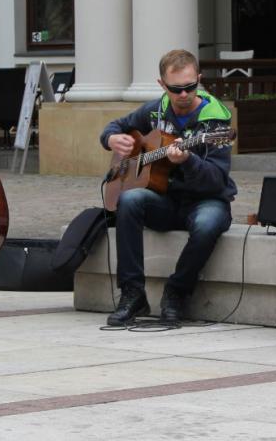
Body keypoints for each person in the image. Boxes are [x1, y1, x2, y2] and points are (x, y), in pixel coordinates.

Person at [101, 49, 237, 325]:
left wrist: (188, 161)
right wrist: (111, 138)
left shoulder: (215, 120)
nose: (184, 94)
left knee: (208, 223)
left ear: (198, 79)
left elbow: (216, 179)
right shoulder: (154, 110)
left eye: (190, 86)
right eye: (176, 89)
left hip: (206, 200)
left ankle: (176, 292)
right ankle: (132, 293)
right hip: (164, 199)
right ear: (162, 85)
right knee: (128, 200)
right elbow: (117, 126)